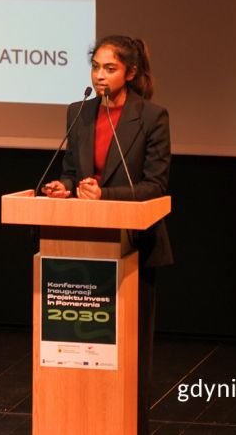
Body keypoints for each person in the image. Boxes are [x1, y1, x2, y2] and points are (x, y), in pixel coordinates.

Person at [41, 34, 171, 434]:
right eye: (95, 67)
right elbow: (72, 172)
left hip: (134, 245)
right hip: (83, 242)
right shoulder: (79, 112)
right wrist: (63, 187)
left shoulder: (152, 117)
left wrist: (105, 195)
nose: (100, 75)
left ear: (130, 73)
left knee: (128, 352)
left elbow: (155, 185)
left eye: (109, 68)